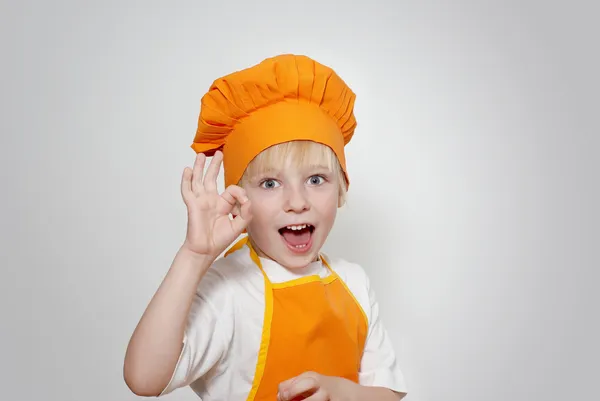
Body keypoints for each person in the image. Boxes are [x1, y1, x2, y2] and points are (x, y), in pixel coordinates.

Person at [123, 54, 408, 401]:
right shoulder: (229, 290)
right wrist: (195, 256)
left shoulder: (355, 284)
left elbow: (388, 395)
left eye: (316, 179)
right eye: (270, 184)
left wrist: (339, 392)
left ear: (340, 190)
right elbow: (144, 378)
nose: (297, 201)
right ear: (240, 200)